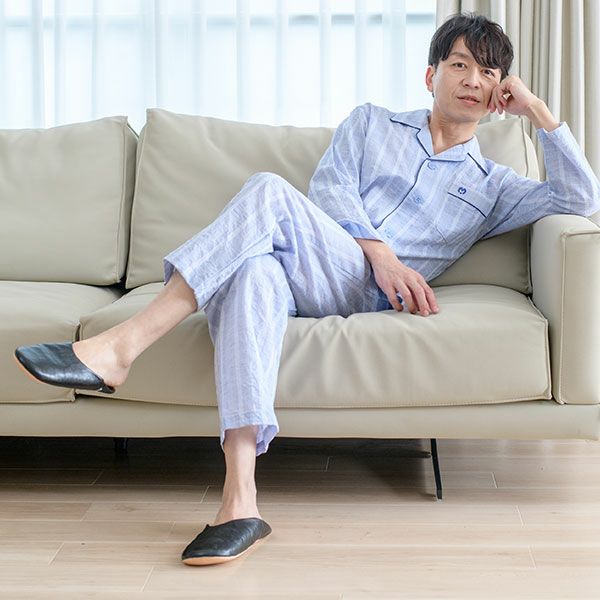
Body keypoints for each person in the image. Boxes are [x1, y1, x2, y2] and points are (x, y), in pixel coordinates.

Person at [14, 12, 600, 566]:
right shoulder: (371, 123)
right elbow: (330, 190)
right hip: (322, 263)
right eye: (460, 65)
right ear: (431, 76)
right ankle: (240, 501)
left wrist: (538, 111)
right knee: (251, 273)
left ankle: (122, 346)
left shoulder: (495, 186)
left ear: (500, 92)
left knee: (269, 190)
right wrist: (383, 254)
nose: (473, 80)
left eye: (489, 73)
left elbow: (581, 198)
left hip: (368, 296)